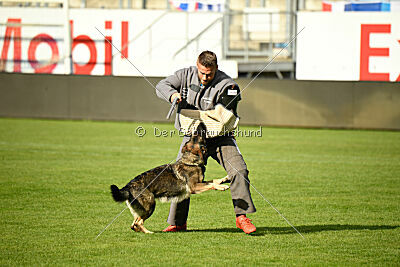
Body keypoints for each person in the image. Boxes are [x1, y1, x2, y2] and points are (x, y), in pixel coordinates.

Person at [155, 51, 256, 234]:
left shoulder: (228, 85)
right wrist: (172, 96)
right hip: (193, 138)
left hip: (221, 138)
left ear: (216, 68)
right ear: (197, 65)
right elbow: (161, 85)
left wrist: (197, 113)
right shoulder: (185, 74)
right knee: (182, 177)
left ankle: (242, 217)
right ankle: (177, 223)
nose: (204, 77)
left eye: (209, 74)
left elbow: (225, 114)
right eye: (202, 72)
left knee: (239, 170)